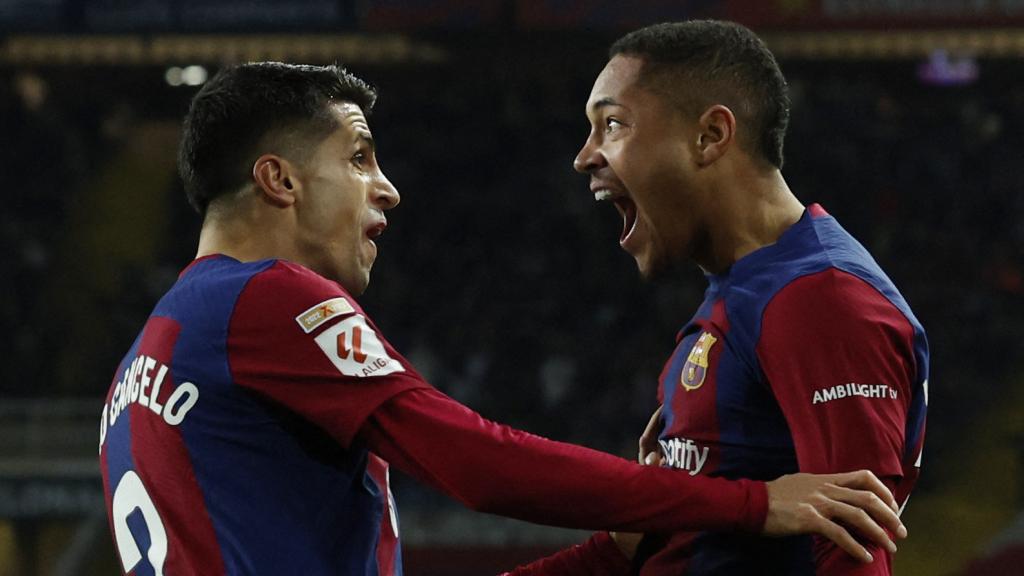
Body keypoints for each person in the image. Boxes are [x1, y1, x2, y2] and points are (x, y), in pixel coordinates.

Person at [97, 62, 907, 575]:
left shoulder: (142, 368)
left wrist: (613, 552)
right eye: (359, 157)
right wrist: (748, 504)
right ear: (279, 180)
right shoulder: (266, 298)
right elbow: (475, 463)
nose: (387, 188)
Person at [508, 19, 928, 575]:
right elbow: (655, 548)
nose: (585, 156)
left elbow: (851, 554)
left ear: (710, 135)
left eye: (612, 124)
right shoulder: (747, 290)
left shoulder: (821, 299)